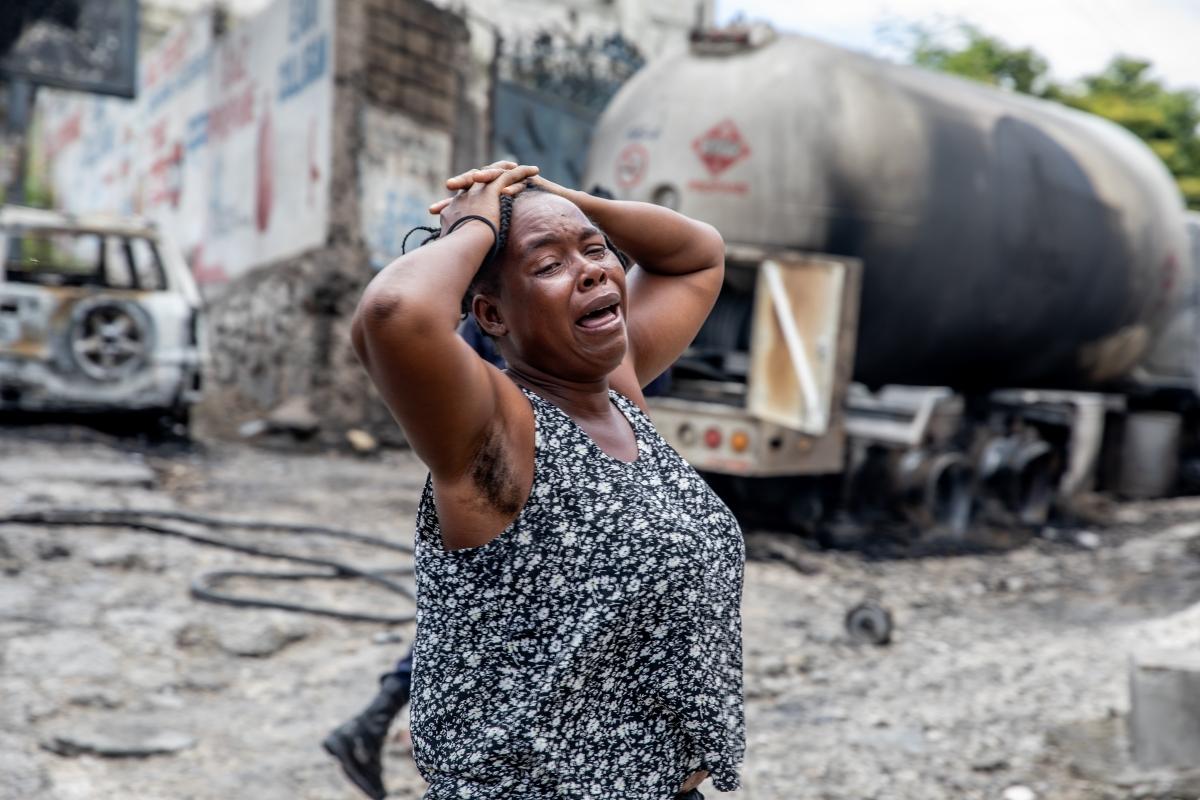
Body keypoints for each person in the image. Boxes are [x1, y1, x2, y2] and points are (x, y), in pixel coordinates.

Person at [348, 160, 744, 799]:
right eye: (548, 266)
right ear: (492, 315)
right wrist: (475, 221)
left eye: (595, 252)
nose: (590, 268)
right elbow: (395, 311)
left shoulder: (616, 395)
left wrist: (556, 201)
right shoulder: (497, 429)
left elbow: (697, 256)